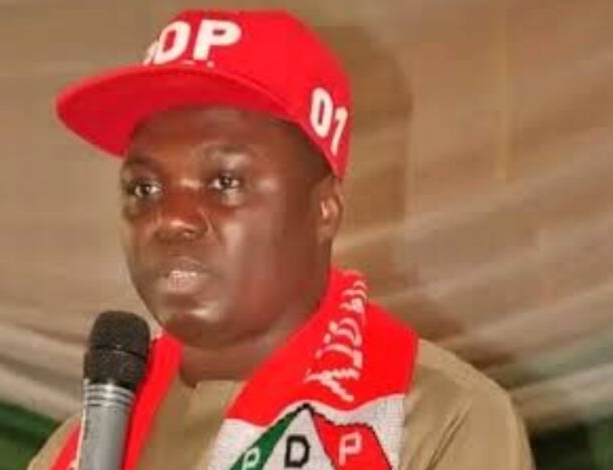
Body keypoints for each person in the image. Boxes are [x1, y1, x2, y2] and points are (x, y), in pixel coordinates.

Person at [29, 9, 534, 470]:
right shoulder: (80, 449)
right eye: (144, 188)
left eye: (225, 182)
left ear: (325, 209)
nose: (171, 220)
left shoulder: (438, 421)